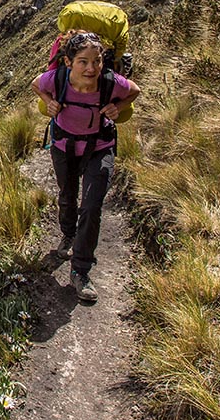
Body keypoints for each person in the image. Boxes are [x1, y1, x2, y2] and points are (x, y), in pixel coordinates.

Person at [31, 32, 140, 302]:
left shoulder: (109, 82)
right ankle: (68, 235)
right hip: (64, 146)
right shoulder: (56, 79)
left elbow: (134, 90)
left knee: (91, 206)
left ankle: (81, 270)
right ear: (68, 62)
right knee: (67, 196)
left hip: (99, 148)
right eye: (83, 62)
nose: (91, 68)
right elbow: (36, 84)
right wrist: (49, 103)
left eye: (97, 61)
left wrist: (118, 105)